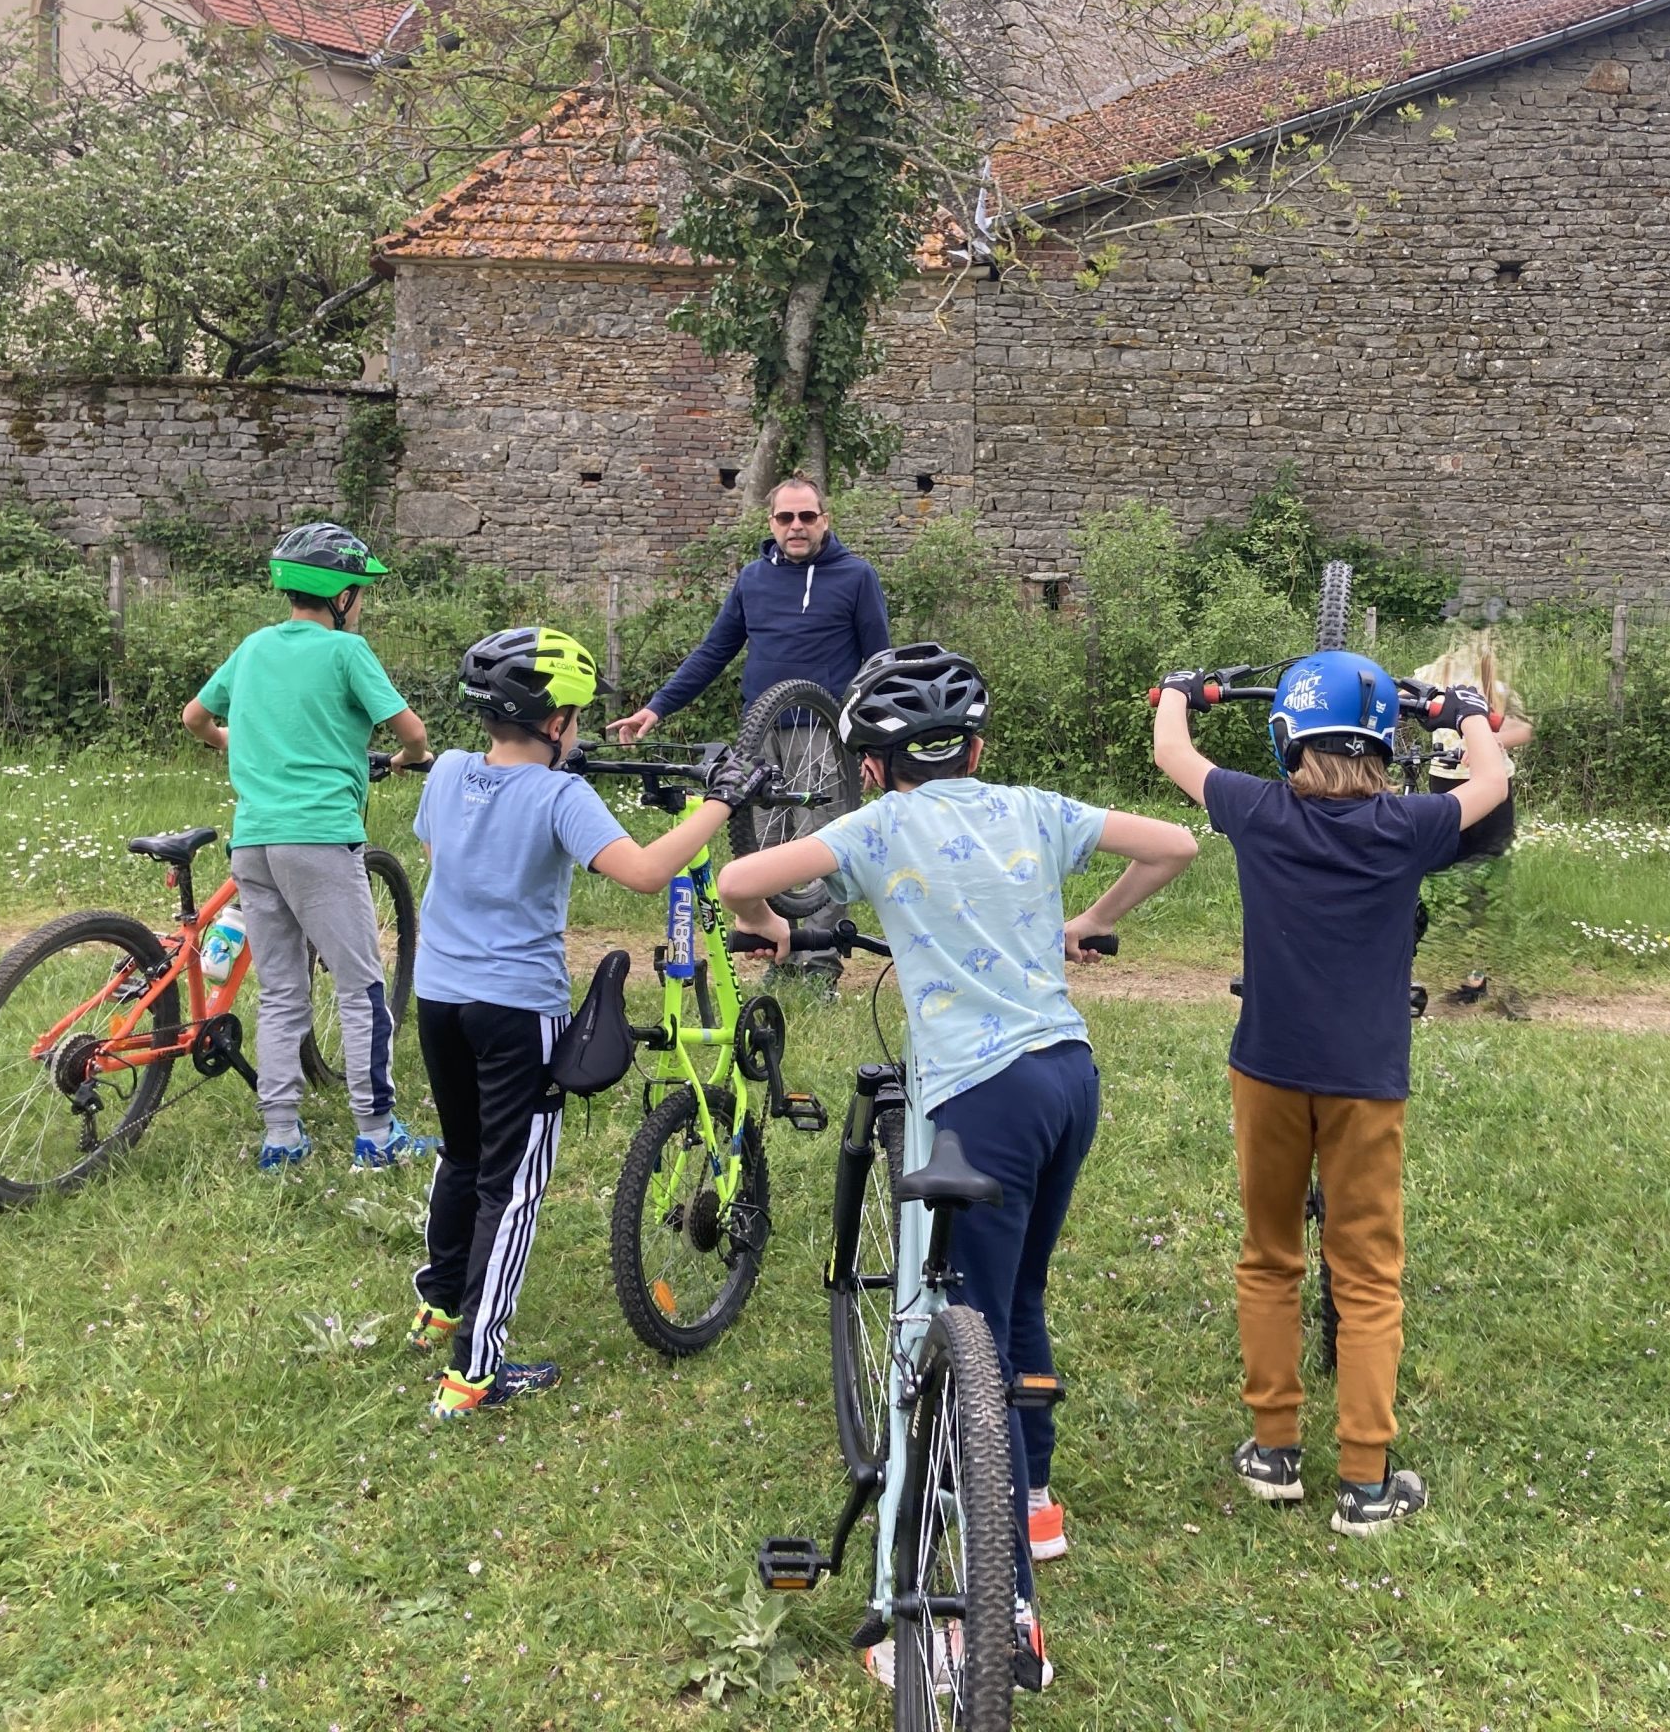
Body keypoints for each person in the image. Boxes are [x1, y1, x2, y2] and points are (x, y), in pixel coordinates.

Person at [719, 642, 1197, 1690]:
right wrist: (1090, 922)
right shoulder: (1033, 808)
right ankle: (1035, 1496)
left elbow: (740, 877)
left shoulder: (877, 825)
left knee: (956, 1325)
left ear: (872, 767)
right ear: (977, 748)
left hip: (980, 1096)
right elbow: (1174, 843)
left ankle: (1005, 1617)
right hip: (1068, 1076)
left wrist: (763, 929)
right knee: (1017, 1293)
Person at [1152, 649, 1507, 1537]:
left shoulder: (1257, 810)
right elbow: (1493, 782)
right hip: (1366, 1082)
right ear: (1383, 741)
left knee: (1270, 1255)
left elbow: (1172, 751)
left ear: (1288, 737)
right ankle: (1364, 1479)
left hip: (1267, 1070)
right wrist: (1463, 712)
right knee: (1368, 1271)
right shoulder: (1410, 826)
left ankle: (1274, 1448)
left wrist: (1181, 693)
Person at [410, 626, 773, 1419]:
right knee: (512, 1186)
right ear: (556, 723)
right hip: (515, 1008)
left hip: (437, 996)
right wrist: (722, 800)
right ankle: (475, 1373)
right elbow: (644, 873)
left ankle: (437, 1303)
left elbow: (442, 851)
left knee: (462, 1152)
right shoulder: (561, 797)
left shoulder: (447, 771)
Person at [181, 521, 433, 1172]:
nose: (361, 603)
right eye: (360, 592)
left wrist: (230, 741)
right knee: (360, 987)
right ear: (342, 596)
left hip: (254, 844)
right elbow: (412, 732)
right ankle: (377, 1134)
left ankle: (281, 1136)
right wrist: (409, 759)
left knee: (282, 991)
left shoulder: (254, 648)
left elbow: (195, 717)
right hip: (320, 839)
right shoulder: (347, 653)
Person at [611, 474, 891, 987]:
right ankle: (781, 957)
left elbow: (878, 661)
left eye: (807, 516)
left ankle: (819, 967)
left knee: (823, 847)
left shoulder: (856, 576)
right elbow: (713, 651)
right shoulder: (753, 579)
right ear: (772, 523)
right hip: (759, 734)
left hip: (825, 736)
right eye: (786, 517)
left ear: (824, 520)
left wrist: (874, 743)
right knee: (765, 850)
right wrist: (656, 707)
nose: (796, 526)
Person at [1409, 633, 1535, 1014]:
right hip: (1447, 790)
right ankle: (1471, 977)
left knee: (1492, 886)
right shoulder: (1431, 673)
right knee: (1452, 885)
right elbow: (1403, 701)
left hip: (1492, 791)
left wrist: (1491, 740)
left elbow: (1523, 729)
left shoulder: (1496, 681)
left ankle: (1503, 983)